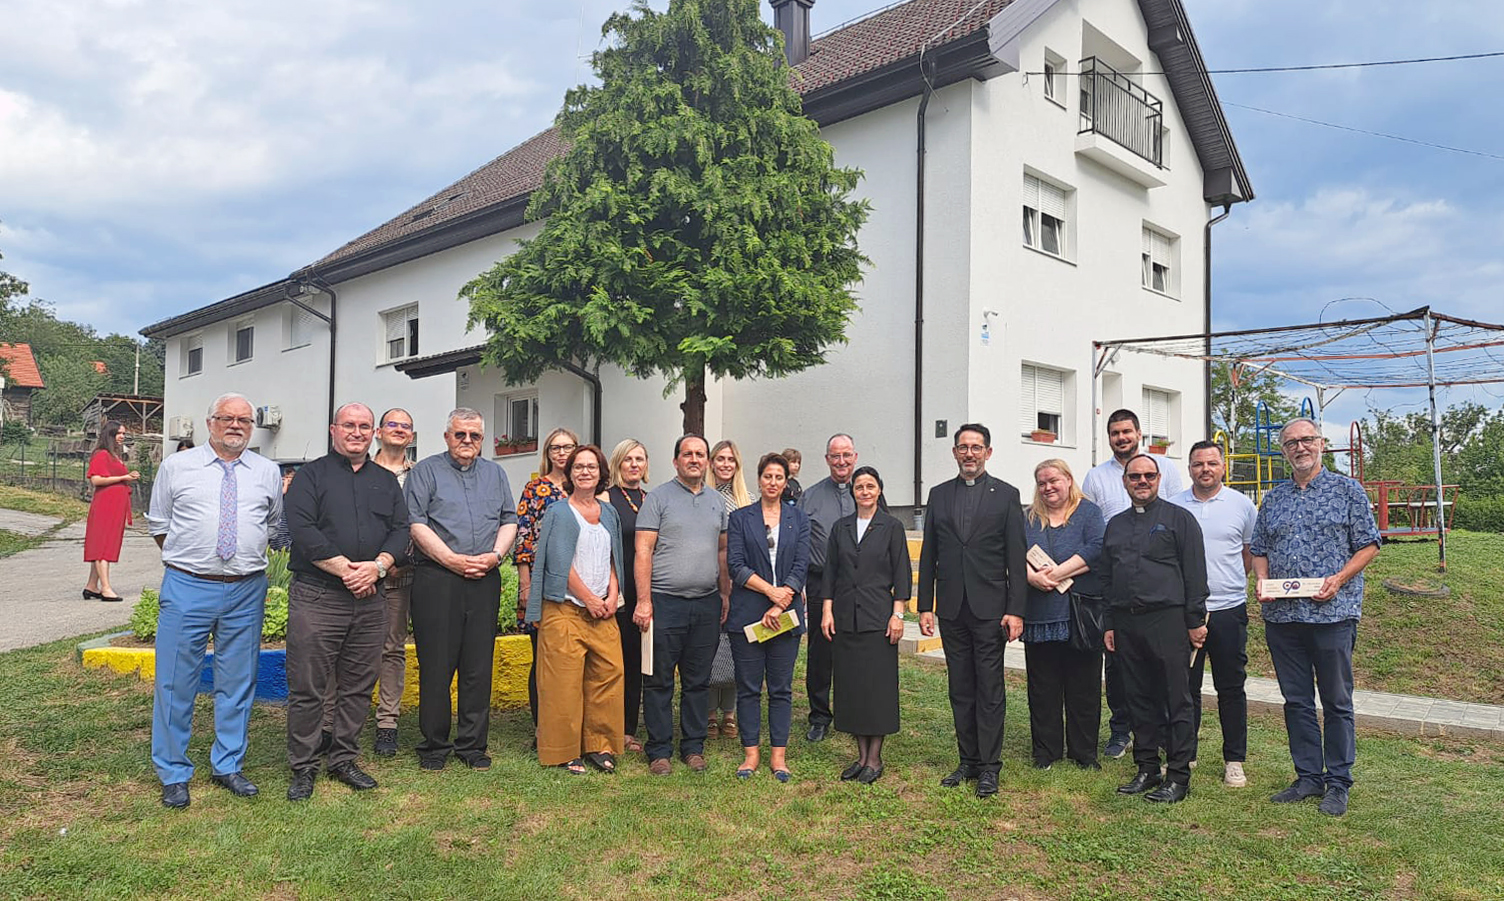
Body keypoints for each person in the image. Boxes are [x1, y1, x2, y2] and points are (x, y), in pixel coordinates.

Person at [146, 393, 282, 809]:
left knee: (238, 681)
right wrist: (193, 561)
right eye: (227, 418)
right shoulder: (177, 467)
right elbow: (159, 523)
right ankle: (173, 771)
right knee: (175, 681)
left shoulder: (267, 471)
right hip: (188, 585)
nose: (236, 425)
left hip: (246, 588)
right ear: (210, 423)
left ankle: (228, 764)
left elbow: (272, 523)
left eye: (244, 420)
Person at [1252, 418, 1380, 817]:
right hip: (1283, 616)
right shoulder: (1273, 498)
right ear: (1284, 451)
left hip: (1333, 615)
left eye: (1306, 439)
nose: (1300, 447)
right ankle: (1308, 777)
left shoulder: (1348, 490)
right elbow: (1259, 549)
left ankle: (1338, 781)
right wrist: (1261, 581)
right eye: (1291, 442)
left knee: (1336, 701)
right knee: (1296, 700)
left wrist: (1339, 579)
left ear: (1321, 443)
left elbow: (1369, 544)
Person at [283, 403, 410, 801]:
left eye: (364, 426)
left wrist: (377, 567)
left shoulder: (385, 481)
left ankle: (343, 758)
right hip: (318, 596)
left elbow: (401, 530)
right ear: (333, 429)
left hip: (370, 599)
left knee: (358, 685)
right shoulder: (310, 476)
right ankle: (304, 766)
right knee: (309, 686)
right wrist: (347, 571)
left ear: (374, 433)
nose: (357, 432)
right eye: (349, 425)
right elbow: (302, 528)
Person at [404, 408, 519, 770]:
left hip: (485, 577)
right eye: (460, 434)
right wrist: (451, 559)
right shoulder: (425, 472)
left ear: (482, 439)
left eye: (475, 435)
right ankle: (434, 746)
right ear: (447, 436)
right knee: (436, 665)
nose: (467, 441)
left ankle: (472, 746)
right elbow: (415, 523)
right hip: (438, 579)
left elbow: (509, 519)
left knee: (477, 666)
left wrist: (496, 556)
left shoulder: (496, 474)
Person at [917, 423, 1027, 799]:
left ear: (988, 453)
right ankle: (968, 760)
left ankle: (990, 767)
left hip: (990, 609)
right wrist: (925, 606)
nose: (969, 453)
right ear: (954, 453)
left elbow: (1015, 557)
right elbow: (929, 553)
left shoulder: (1007, 495)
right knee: (960, 688)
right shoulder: (939, 495)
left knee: (990, 688)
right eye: (963, 447)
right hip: (951, 608)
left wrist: (1016, 610)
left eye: (976, 447)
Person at [1100, 454, 1208, 804]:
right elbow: (1107, 578)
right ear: (1125, 481)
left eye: (1148, 475)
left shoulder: (1180, 519)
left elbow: (1195, 573)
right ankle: (1147, 768)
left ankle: (1178, 776)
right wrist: (1110, 623)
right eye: (1135, 476)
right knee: (1137, 698)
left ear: (1159, 479)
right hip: (1126, 622)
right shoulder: (1115, 525)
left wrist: (1195, 621)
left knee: (1176, 699)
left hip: (1168, 620)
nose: (1142, 481)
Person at [1081, 408, 1186, 759]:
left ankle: (1162, 735)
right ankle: (1120, 730)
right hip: (1117, 583)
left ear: (1139, 434)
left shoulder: (1164, 468)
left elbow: (1177, 516)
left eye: (1127, 431)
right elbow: (1090, 523)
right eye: (1115, 433)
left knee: (1160, 670)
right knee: (1117, 668)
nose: (1121, 438)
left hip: (1160, 584)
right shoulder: (1096, 477)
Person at [631, 434, 730, 775]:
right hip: (664, 603)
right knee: (658, 680)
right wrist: (644, 601)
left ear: (707, 461)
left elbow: (722, 551)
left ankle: (693, 747)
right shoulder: (658, 498)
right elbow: (643, 550)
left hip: (705, 604)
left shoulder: (717, 502)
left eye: (700, 454)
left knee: (698, 681)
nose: (694, 459)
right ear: (676, 461)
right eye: (687, 454)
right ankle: (659, 750)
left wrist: (725, 594)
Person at [527, 444, 626, 775]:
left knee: (608, 674)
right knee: (563, 683)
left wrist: (612, 595)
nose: (585, 472)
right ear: (569, 474)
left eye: (591, 467)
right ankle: (565, 751)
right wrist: (590, 598)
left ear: (601, 473)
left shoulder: (608, 512)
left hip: (603, 610)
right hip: (565, 608)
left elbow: (614, 559)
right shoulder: (559, 512)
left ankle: (599, 745)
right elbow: (560, 564)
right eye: (579, 467)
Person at [1174, 440, 1258, 788]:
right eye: (1198, 464)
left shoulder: (1242, 505)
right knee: (1184, 687)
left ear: (1223, 467)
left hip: (1228, 610)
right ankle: (1185, 754)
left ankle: (1234, 760)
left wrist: (1230, 583)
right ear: (1190, 469)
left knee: (1231, 687)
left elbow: (1249, 552)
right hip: (1184, 612)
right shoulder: (1175, 505)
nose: (1205, 469)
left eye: (1211, 463)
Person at [820, 465, 910, 784]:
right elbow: (830, 572)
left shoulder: (892, 526)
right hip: (846, 617)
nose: (865, 491)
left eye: (870, 486)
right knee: (853, 688)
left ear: (879, 490)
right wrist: (827, 610)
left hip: (878, 618)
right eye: (859, 486)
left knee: (876, 689)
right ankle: (860, 757)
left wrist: (898, 615)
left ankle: (875, 758)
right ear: (853, 492)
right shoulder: (841, 527)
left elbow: (901, 573)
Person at [726, 453, 811, 782]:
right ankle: (751, 754)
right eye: (767, 476)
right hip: (748, 613)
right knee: (748, 687)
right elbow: (736, 565)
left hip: (785, 616)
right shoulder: (740, 518)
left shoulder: (798, 518)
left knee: (781, 688)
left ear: (786, 482)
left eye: (779, 477)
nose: (773, 482)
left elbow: (801, 564)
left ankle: (779, 756)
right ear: (759, 479)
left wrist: (781, 601)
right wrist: (770, 592)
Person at [1021, 459, 1106, 770]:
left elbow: (1097, 548)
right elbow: (1012, 552)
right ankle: (1046, 751)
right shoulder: (1027, 517)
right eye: (1042, 482)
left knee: (1084, 688)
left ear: (1068, 480)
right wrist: (1031, 577)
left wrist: (1056, 574)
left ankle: (1084, 753)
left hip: (1079, 615)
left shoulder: (1089, 513)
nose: (1048, 487)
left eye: (1054, 480)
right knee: (1043, 688)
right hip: (1039, 614)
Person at [515, 428, 581, 728]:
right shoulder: (535, 489)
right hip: (542, 583)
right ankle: (543, 727)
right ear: (547, 453)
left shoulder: (587, 488)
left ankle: (571, 724)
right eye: (555, 448)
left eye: (568, 447)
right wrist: (526, 584)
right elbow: (523, 536)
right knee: (544, 657)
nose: (562, 453)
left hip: (582, 585)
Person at [796, 433, 858, 742]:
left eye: (846, 455)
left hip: (859, 585)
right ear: (827, 459)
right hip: (820, 582)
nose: (841, 461)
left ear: (855, 457)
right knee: (821, 652)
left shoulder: (867, 490)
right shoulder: (810, 496)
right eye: (835, 456)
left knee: (856, 650)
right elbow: (798, 542)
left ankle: (853, 712)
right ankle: (819, 715)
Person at [370, 408, 417, 758]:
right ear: (378, 432)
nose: (398, 430)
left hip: (403, 576)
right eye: (392, 424)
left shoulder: (420, 475)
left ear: (411, 436)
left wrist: (402, 561)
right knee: (351, 650)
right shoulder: (361, 470)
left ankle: (387, 722)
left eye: (405, 427)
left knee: (392, 649)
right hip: (362, 575)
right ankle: (334, 720)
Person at [601, 438, 650, 754]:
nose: (634, 464)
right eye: (628, 459)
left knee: (635, 662)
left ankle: (628, 729)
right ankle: (606, 727)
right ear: (617, 463)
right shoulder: (606, 498)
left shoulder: (651, 499)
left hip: (645, 591)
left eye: (640, 459)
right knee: (611, 663)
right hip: (615, 591)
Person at [707, 438, 750, 737]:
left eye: (730, 459)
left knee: (736, 645)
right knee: (710, 647)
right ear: (712, 463)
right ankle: (710, 712)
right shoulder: (703, 496)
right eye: (720, 458)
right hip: (709, 581)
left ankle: (730, 712)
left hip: (741, 583)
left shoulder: (748, 499)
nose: (725, 464)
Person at [83, 420, 140, 602]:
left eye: (123, 433)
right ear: (110, 434)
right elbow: (96, 480)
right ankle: (106, 588)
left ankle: (92, 585)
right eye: (119, 433)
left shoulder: (115, 455)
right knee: (103, 544)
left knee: (106, 542)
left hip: (115, 505)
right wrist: (123, 477)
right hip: (105, 505)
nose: (122, 436)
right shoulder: (102, 454)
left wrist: (127, 477)